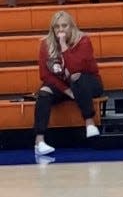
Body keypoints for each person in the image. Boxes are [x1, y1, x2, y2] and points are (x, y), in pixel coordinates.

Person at [33, 10, 103, 156]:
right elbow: (45, 75)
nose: (60, 30)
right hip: (63, 86)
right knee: (44, 92)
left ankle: (89, 122)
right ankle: (39, 141)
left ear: (71, 26)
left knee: (77, 78)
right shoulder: (46, 44)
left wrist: (64, 46)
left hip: (88, 82)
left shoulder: (83, 41)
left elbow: (75, 69)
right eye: (57, 27)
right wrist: (67, 91)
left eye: (64, 25)